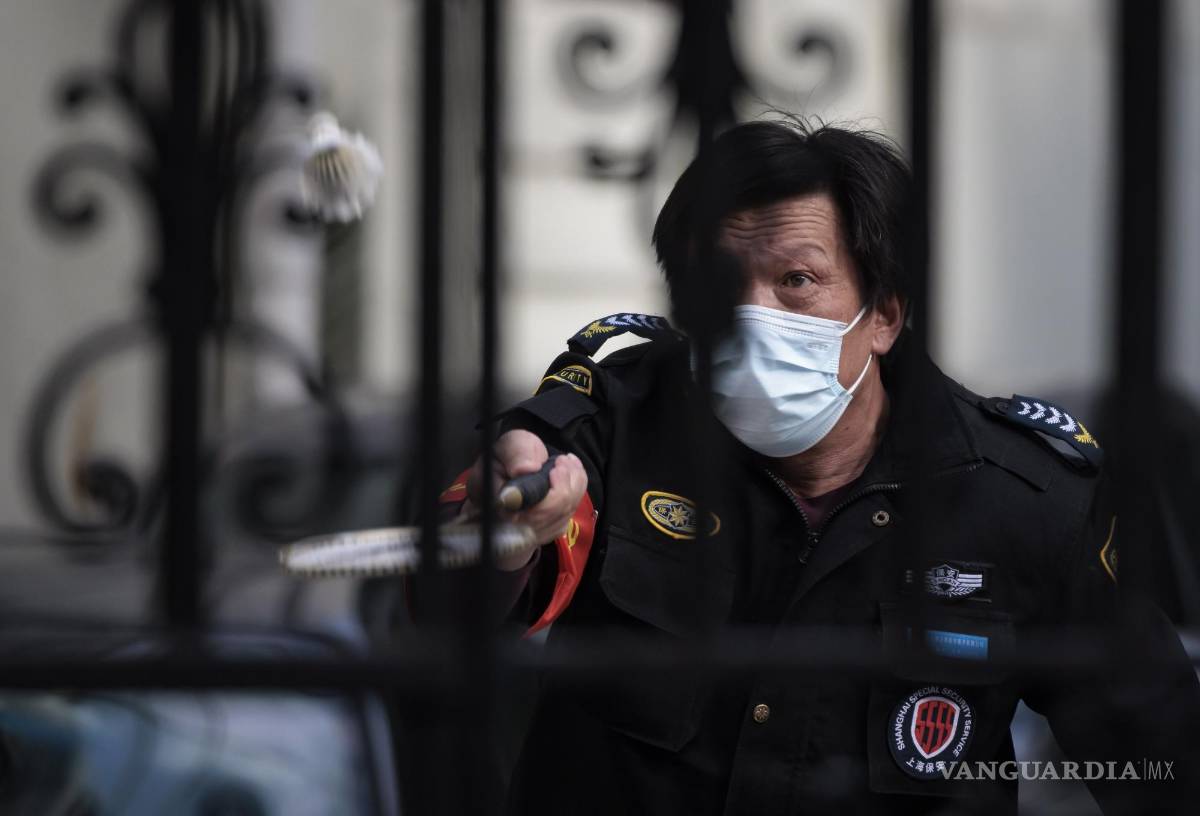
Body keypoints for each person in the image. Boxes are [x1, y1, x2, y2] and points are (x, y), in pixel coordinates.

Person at [417, 119, 1200, 814]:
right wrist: (501, 542)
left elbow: (1161, 756)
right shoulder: (617, 427)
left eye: (798, 281)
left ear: (885, 314)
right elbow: (445, 614)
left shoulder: (1016, 494)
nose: (753, 318)